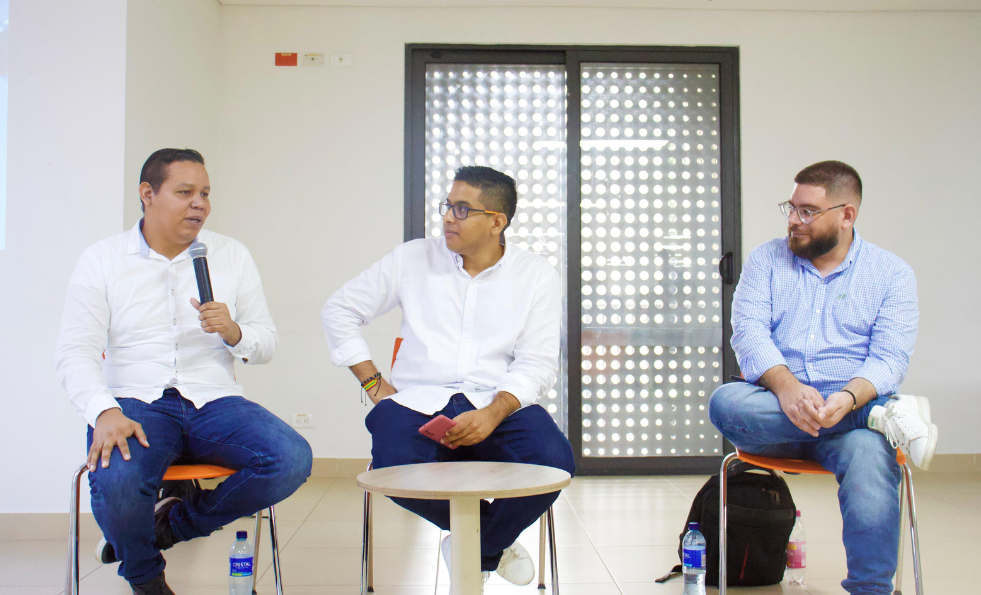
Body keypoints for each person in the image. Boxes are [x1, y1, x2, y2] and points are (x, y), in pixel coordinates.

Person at [56, 149, 313, 595]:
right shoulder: (103, 259)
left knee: (290, 458)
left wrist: (234, 332)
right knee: (118, 483)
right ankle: (147, 581)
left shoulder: (230, 254)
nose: (199, 204)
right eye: (185, 192)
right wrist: (103, 411)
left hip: (214, 400)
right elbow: (74, 352)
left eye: (205, 194)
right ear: (148, 194)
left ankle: (167, 527)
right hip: (135, 402)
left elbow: (266, 342)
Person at [322, 165, 575, 587]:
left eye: (461, 209)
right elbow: (339, 309)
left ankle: (478, 548)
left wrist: (493, 413)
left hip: (498, 400)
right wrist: (372, 383)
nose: (447, 218)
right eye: (448, 205)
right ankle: (489, 541)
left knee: (555, 463)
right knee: (391, 469)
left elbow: (537, 361)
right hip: (416, 400)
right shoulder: (412, 258)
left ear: (496, 222)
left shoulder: (535, 275)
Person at [709, 160, 937, 594]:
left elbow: (889, 358)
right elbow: (749, 334)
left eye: (808, 211)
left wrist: (847, 400)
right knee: (726, 404)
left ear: (847, 215)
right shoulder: (766, 260)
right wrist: (788, 388)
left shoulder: (891, 274)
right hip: (774, 415)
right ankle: (879, 416)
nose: (794, 220)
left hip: (847, 412)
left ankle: (870, 591)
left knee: (870, 457)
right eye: (791, 208)